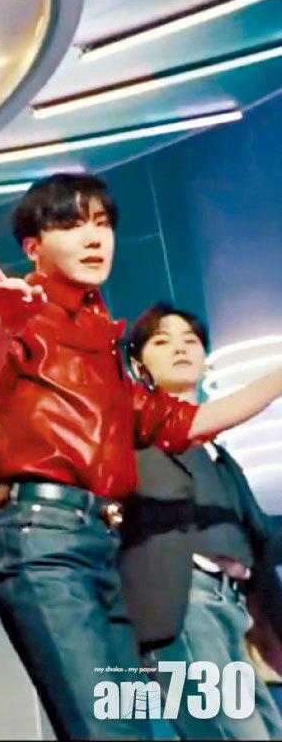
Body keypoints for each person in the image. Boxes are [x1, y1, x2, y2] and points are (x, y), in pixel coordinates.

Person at [0, 172, 282, 739]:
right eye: (72, 224)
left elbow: (184, 421)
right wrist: (6, 320)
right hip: (40, 537)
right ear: (33, 247)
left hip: (99, 544)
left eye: (102, 223)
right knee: (107, 729)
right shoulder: (20, 305)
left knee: (130, 724)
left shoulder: (102, 339)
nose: (93, 237)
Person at [120, 302, 282, 740]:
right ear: (138, 365)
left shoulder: (220, 456)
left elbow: (260, 536)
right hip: (183, 602)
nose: (180, 348)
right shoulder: (134, 431)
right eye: (162, 341)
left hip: (234, 610)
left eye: (191, 340)